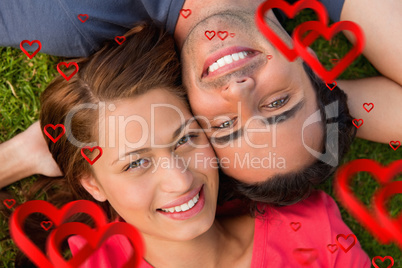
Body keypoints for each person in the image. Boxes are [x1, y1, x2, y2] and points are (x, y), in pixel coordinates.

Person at [4, 22, 370, 268]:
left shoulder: (313, 231)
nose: (180, 181)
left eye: (185, 140)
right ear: (92, 184)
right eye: (135, 163)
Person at [1, 0, 401, 193]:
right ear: (314, 61)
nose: (240, 91)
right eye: (278, 103)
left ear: (187, 110)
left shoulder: (66, 18)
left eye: (225, 125)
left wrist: (17, 157)